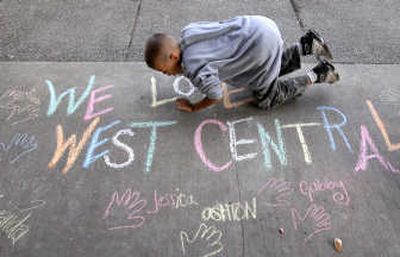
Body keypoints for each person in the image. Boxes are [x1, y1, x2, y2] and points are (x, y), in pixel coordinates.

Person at [144, 15, 339, 112]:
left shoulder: (194, 70)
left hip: (260, 47)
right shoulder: (188, 32)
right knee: (269, 64)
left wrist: (194, 107)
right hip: (258, 26)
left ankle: (317, 74)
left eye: (164, 70)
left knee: (265, 99)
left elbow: (215, 94)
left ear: (173, 58)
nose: (166, 74)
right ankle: (307, 46)